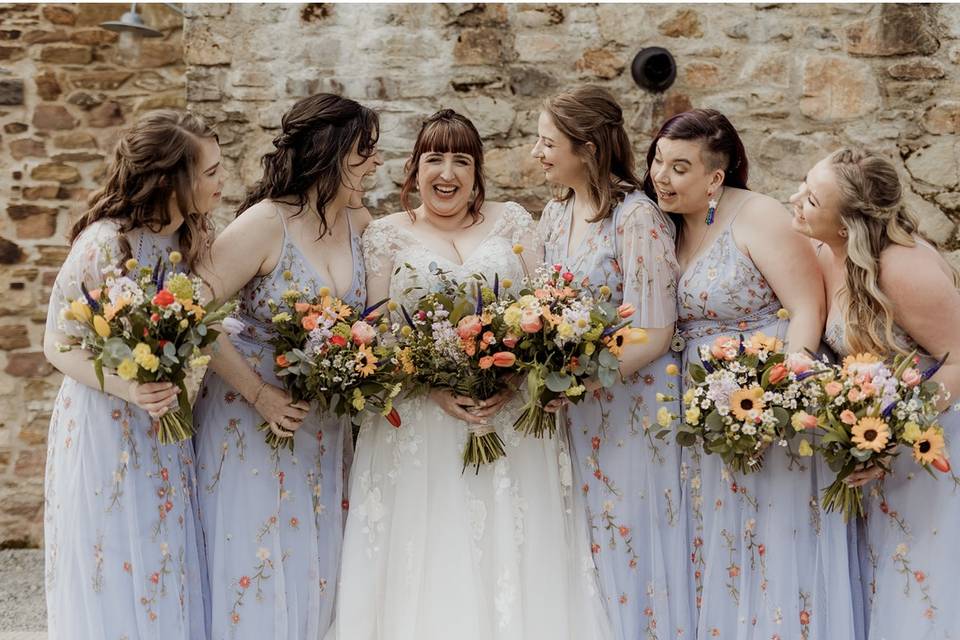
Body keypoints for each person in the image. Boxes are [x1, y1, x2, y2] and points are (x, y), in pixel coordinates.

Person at [327, 109, 611, 640]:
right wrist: (433, 386)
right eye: (434, 158)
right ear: (414, 168)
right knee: (431, 549)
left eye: (462, 160)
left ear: (478, 171)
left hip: (509, 421)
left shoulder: (513, 222)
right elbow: (380, 332)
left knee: (513, 548)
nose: (447, 173)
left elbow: (545, 313)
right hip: (420, 423)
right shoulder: (385, 234)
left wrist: (512, 380)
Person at [646, 109, 858, 638]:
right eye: (656, 160)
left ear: (715, 177)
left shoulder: (758, 216)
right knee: (718, 541)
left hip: (765, 404)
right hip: (704, 412)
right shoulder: (666, 225)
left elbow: (808, 308)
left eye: (678, 168)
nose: (659, 176)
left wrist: (774, 399)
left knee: (771, 537)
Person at [192, 93, 381, 639]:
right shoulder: (265, 222)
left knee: (316, 566)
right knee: (254, 563)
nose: (374, 164)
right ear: (331, 152)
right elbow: (189, 312)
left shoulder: (360, 222)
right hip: (248, 419)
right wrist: (258, 393)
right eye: (364, 152)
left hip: (320, 427)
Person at [43, 109, 222, 639]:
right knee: (114, 553)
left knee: (163, 551)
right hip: (106, 421)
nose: (220, 181)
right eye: (210, 171)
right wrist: (128, 387)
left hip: (165, 424)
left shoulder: (194, 240)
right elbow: (57, 342)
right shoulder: (102, 243)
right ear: (172, 178)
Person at [532, 85, 693, 638]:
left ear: (590, 148)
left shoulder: (635, 216)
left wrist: (578, 377)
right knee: (584, 542)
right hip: (573, 411)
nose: (538, 153)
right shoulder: (554, 215)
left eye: (548, 142)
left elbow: (653, 329)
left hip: (629, 410)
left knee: (628, 534)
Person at [790, 147, 960, 639]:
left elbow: (959, 360)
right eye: (805, 182)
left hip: (927, 445)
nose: (796, 198)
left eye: (813, 199)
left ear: (845, 224)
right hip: (868, 448)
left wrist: (894, 434)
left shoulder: (903, 270)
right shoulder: (824, 254)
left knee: (918, 586)